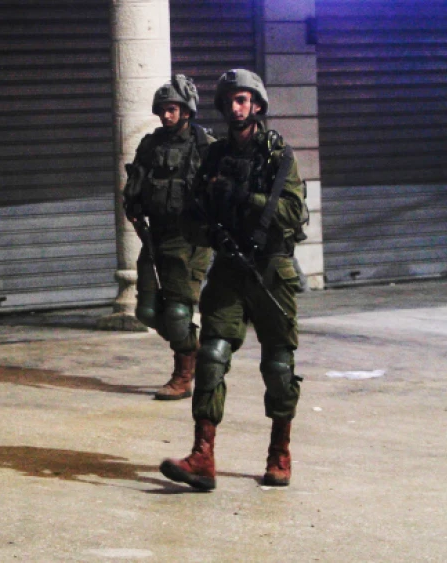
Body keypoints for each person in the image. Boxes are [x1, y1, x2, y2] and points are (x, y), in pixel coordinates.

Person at [160, 69, 308, 490]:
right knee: (211, 355)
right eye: (231, 101)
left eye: (244, 100)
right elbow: (193, 217)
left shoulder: (278, 155)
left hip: (270, 269)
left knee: (278, 365)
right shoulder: (214, 156)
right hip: (228, 266)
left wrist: (244, 196)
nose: (236, 107)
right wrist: (206, 223)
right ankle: (202, 456)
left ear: (257, 106)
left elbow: (291, 213)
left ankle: (279, 452)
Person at [122, 74, 215, 400]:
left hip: (189, 240)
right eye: (162, 109)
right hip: (154, 235)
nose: (166, 115)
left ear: (187, 111)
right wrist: (132, 204)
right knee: (146, 312)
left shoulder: (205, 147)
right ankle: (195, 347)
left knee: (178, 313)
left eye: (172, 109)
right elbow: (136, 183)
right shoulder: (150, 144)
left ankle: (183, 375)